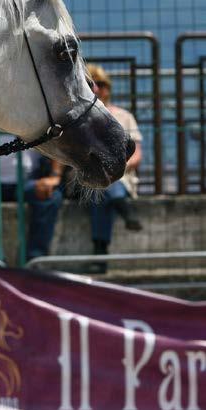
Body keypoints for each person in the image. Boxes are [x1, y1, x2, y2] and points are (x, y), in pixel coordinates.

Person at [0, 119, 64, 261]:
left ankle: (35, 259)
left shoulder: (32, 119)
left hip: (25, 182)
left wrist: (54, 176)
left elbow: (56, 142)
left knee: (51, 197)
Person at [86, 64, 143, 273]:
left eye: (100, 84)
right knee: (102, 184)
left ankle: (100, 252)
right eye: (91, 84)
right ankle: (124, 207)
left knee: (103, 189)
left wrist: (118, 167)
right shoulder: (76, 118)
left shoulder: (124, 116)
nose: (96, 89)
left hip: (120, 176)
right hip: (89, 176)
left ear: (108, 88)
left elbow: (137, 154)